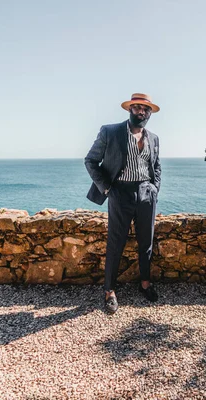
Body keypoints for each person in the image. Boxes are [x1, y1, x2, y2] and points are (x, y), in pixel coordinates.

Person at [84, 93, 162, 314]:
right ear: (130, 109)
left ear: (149, 113)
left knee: (146, 242)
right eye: (137, 107)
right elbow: (90, 160)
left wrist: (155, 188)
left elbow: (156, 166)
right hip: (120, 192)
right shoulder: (110, 132)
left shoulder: (154, 138)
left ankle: (145, 283)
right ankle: (109, 291)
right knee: (115, 243)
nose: (141, 111)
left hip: (146, 194)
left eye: (145, 109)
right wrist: (108, 189)